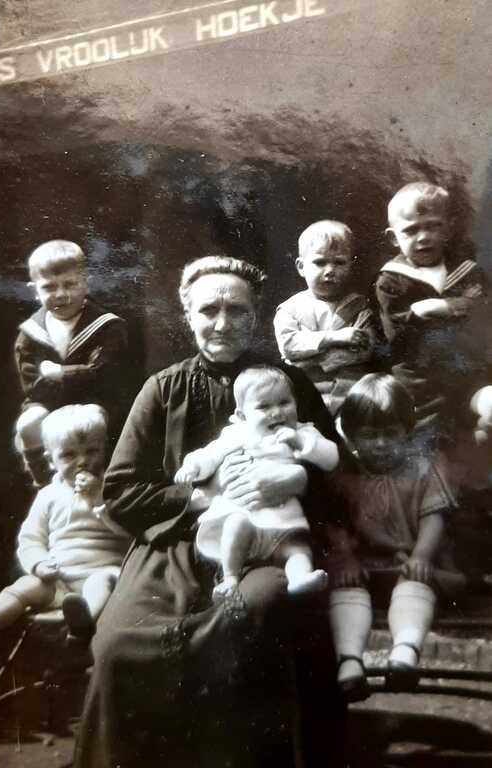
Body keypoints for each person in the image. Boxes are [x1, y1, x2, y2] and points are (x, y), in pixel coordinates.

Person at [74, 256, 348, 768]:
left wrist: (293, 479)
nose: (222, 323)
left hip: (270, 541)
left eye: (237, 311)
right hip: (175, 544)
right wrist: (203, 495)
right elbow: (122, 490)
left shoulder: (287, 385)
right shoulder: (162, 388)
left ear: (256, 314)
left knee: (258, 616)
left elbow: (340, 478)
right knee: (117, 645)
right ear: (187, 314)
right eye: (208, 310)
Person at [327, 374, 454, 702]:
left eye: (391, 433)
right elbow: (333, 522)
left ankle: (404, 653)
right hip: (360, 566)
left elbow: (433, 517)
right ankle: (350, 659)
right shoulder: (345, 474)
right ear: (352, 435)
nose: (381, 444)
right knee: (345, 587)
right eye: (370, 435)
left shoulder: (423, 468)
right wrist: (345, 557)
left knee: (415, 586)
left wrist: (422, 556)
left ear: (407, 432)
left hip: (407, 562)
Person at [176, 365, 339, 598]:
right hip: (245, 514)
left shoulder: (303, 432)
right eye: (264, 406)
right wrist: (193, 467)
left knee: (297, 549)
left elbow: (331, 458)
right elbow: (210, 454)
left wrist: (302, 444)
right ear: (242, 416)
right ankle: (230, 578)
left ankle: (299, 577)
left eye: (284, 403)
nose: (277, 413)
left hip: (284, 519)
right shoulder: (239, 434)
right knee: (235, 525)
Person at [0, 404, 129, 638]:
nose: (82, 461)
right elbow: (30, 539)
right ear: (51, 460)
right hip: (58, 582)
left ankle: (81, 627)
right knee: (24, 587)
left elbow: (127, 531)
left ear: (104, 450)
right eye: (68, 454)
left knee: (100, 583)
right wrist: (38, 563)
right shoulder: (48, 496)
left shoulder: (113, 488)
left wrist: (98, 498)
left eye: (91, 451)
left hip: (101, 572)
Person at [375, 182, 485, 441]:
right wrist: (457, 312)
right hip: (421, 379)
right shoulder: (391, 281)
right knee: (429, 436)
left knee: (483, 418)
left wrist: (445, 307)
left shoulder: (468, 271)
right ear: (394, 238)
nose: (423, 237)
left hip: (468, 370)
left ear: (448, 227)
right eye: (411, 230)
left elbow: (484, 315)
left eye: (433, 226)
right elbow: (398, 336)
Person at [14, 239, 129, 487]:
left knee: (95, 422)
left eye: (70, 284)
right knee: (27, 423)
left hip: (94, 399)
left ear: (85, 283)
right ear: (35, 290)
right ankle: (44, 484)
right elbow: (32, 384)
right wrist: (59, 405)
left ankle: (100, 481)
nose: (61, 294)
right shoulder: (31, 333)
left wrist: (61, 373)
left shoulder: (106, 326)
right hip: (48, 402)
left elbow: (104, 374)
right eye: (49, 287)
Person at [274, 220, 375, 415]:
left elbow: (364, 349)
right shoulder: (289, 309)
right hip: (302, 391)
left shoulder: (360, 306)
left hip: (351, 392)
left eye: (339, 262)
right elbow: (288, 345)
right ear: (301, 267)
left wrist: (310, 361)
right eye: (320, 262)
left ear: (350, 265)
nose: (329, 271)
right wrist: (334, 338)